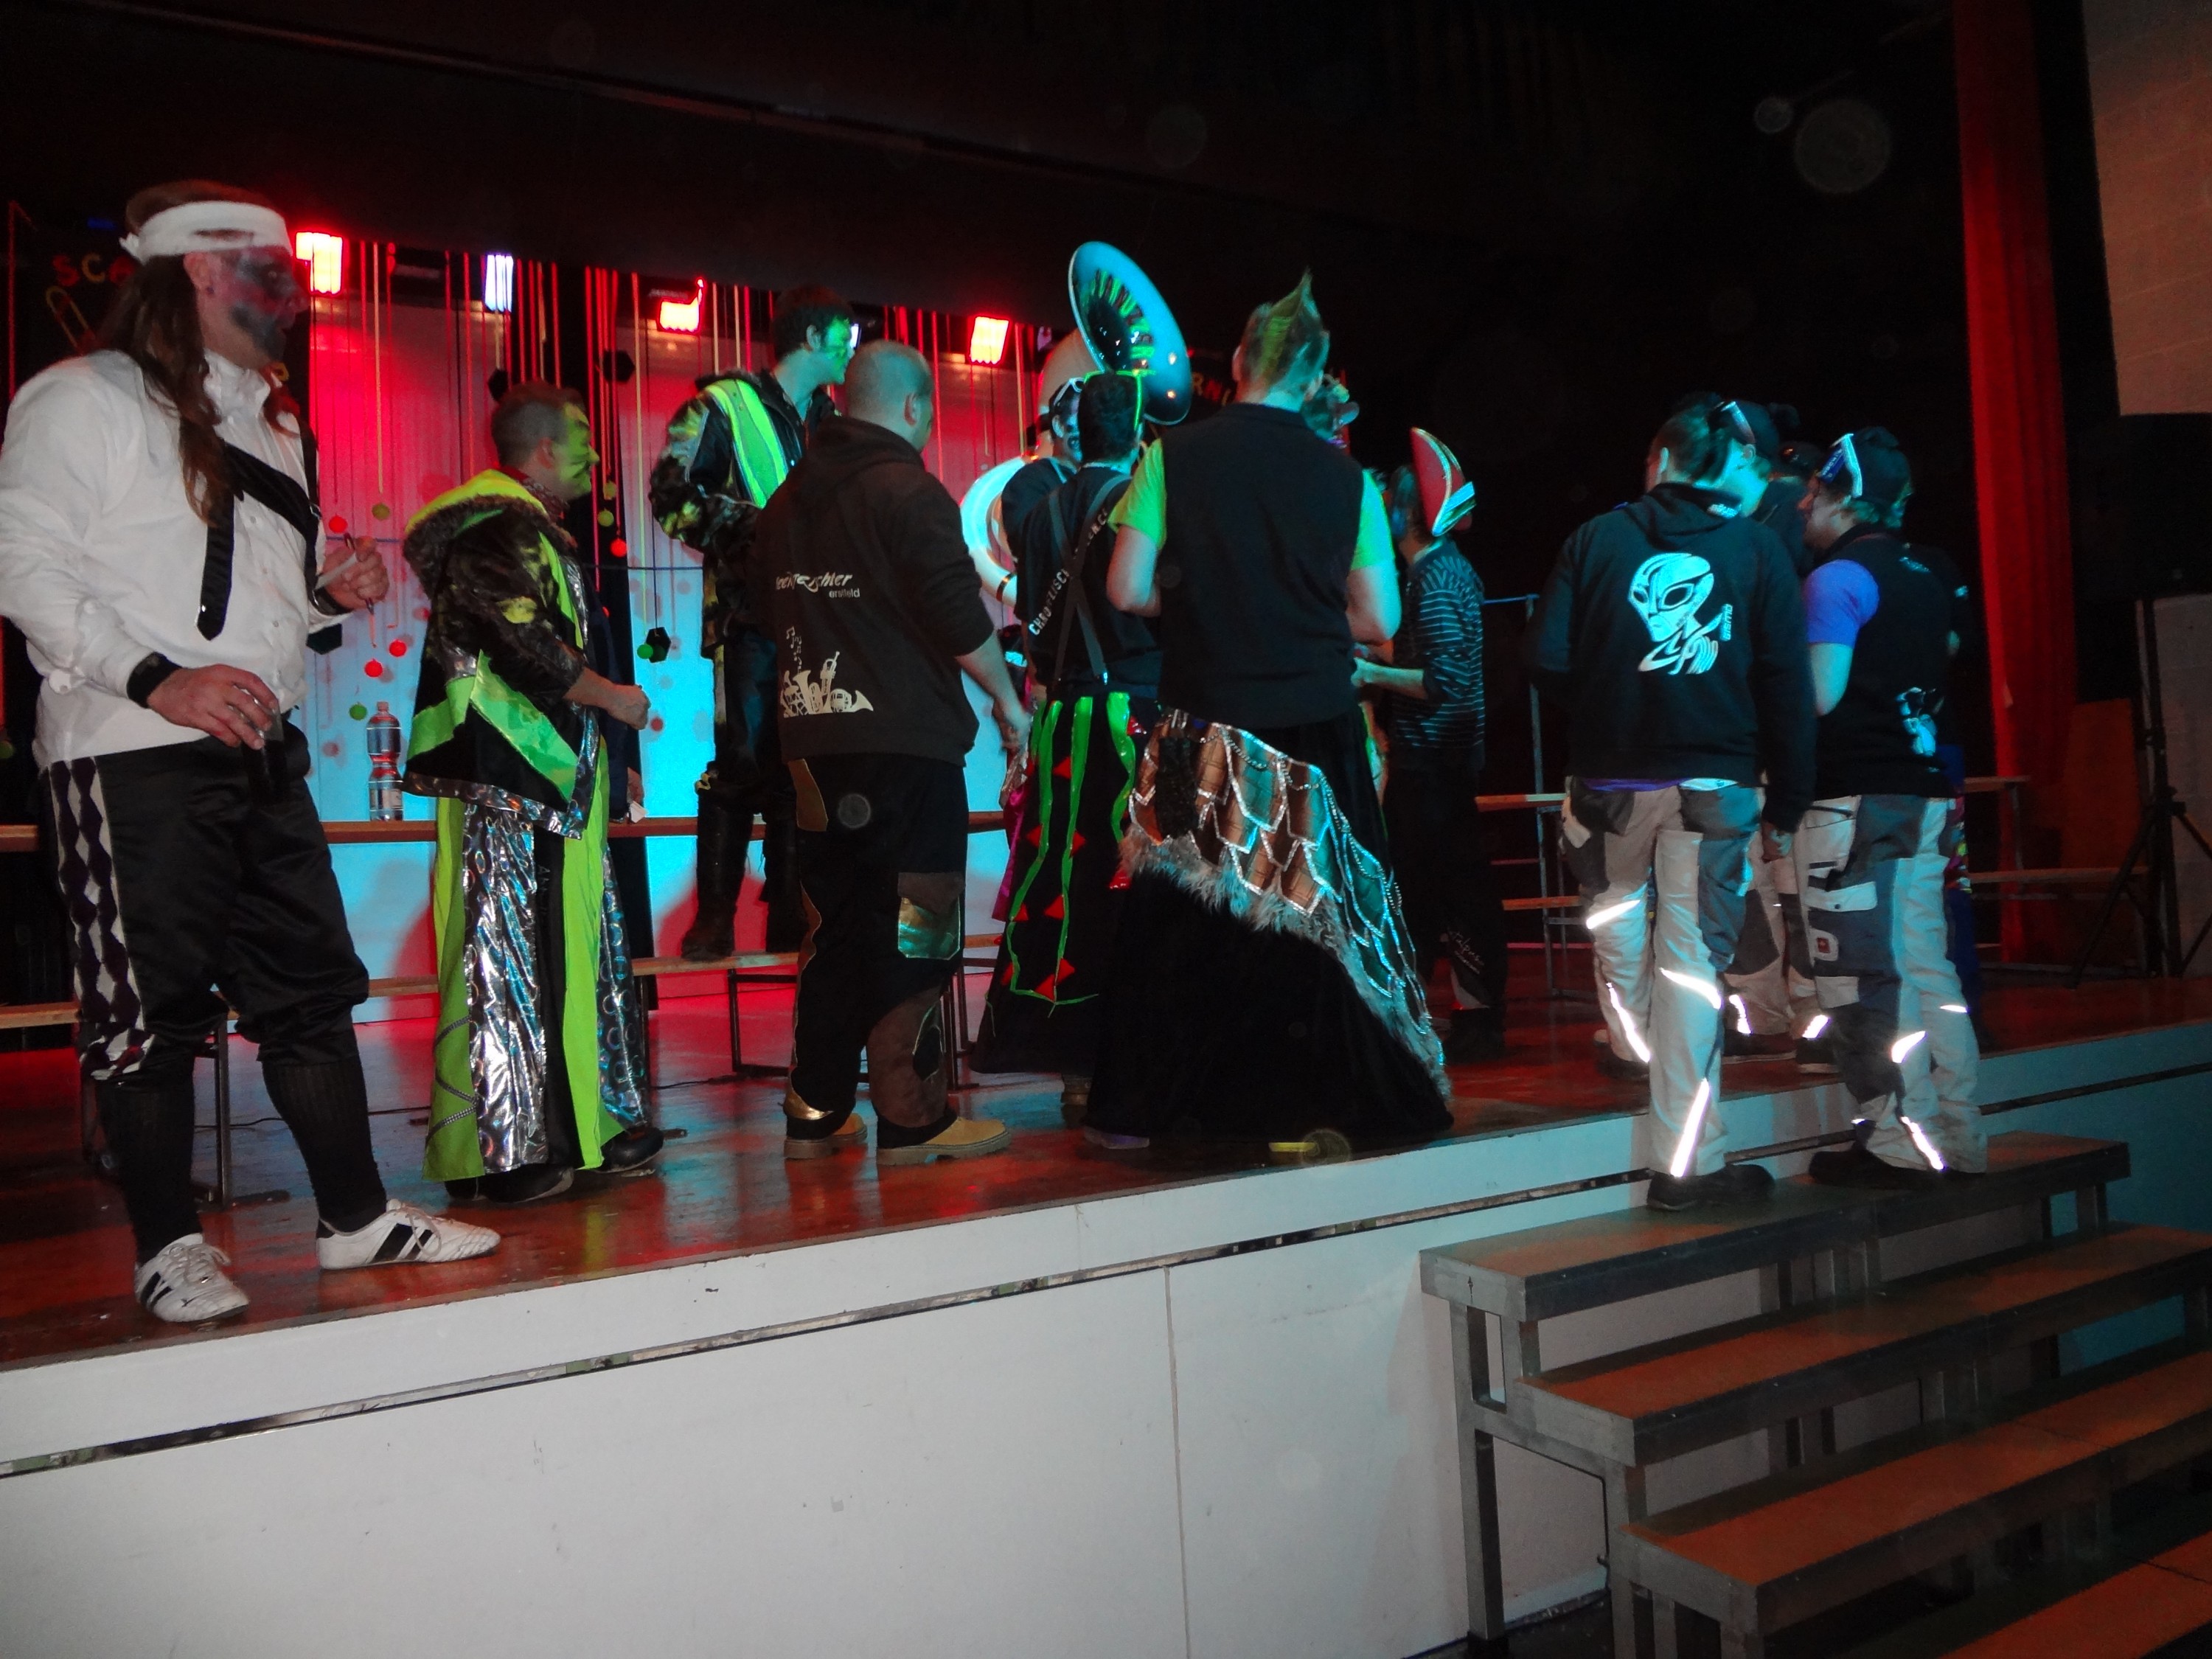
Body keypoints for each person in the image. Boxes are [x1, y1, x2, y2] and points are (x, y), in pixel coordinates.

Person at [0, 180, 498, 1322]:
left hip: (260, 746)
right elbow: (24, 565)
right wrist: (158, 679)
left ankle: (355, 1216)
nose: (293, 295)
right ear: (199, 270)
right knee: (149, 1011)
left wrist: (327, 595)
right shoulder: (82, 397)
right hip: (128, 750)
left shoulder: (274, 421)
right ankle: (167, 1246)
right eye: (270, 271)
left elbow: (260, 596)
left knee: (311, 988)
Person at [1086, 274, 1451, 1152]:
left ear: (1242, 361)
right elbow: (1380, 621)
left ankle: (1170, 1108)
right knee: (1320, 922)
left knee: (1187, 922)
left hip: (1199, 720)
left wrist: (1205, 604)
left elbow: (1125, 589)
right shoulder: (1347, 480)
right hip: (1315, 722)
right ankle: (1315, 1098)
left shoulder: (1171, 457)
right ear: (1316, 374)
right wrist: (1295, 613)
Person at [1523, 394, 1815, 1210]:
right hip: (1714, 783)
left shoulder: (1596, 539)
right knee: (1690, 965)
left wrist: (1610, 702)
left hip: (1611, 780)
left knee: (1616, 915)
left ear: (1656, 462)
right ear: (1721, 466)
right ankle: (1688, 1164)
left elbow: (1544, 657)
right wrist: (1789, 798)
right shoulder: (1756, 548)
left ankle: (1631, 1048)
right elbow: (1786, 685)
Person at [750, 341, 1026, 1165]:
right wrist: (1008, 702)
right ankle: (914, 1119)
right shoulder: (908, 489)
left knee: (835, 925)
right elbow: (956, 614)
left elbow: (763, 616)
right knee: (918, 924)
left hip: (811, 745)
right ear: (911, 406)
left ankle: (816, 1106)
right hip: (905, 746)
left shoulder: (784, 502)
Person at [403, 383, 663, 1203]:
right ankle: (506, 1151)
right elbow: (517, 639)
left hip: (545, 778)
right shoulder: (496, 524)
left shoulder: (525, 528)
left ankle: (580, 1125)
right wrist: (610, 698)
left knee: (563, 951)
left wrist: (604, 745)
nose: (594, 454)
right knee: (509, 958)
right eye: (583, 436)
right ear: (545, 449)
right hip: (511, 781)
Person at [1791, 428, 1983, 1183]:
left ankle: (1897, 1145)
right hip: (1925, 792)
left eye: (1816, 491)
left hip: (1855, 802)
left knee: (1861, 975)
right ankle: (1957, 1136)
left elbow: (1820, 694)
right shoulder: (1927, 573)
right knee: (1928, 968)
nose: (1803, 502)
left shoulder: (1836, 579)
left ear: (1847, 499)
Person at [970, 372, 1156, 1110]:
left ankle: (1077, 1068)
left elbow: (1035, 624)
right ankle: (1137, 1060)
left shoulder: (1040, 509)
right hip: (1132, 723)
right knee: (1136, 891)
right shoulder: (1139, 500)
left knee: (1066, 893)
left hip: (1062, 727)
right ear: (1136, 432)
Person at [651, 285, 854, 959]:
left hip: (820, 623)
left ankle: (792, 911)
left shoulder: (835, 424)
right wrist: (755, 530)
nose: (851, 350)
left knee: (806, 765)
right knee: (741, 759)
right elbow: (670, 496)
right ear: (814, 338)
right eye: (845, 336)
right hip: (745, 617)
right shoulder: (722, 406)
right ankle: (715, 916)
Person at [1357, 430, 1510, 1063]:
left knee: (1446, 898)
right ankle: (1448, 1015)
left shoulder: (1437, 579)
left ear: (1405, 513)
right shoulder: (1436, 572)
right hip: (1438, 763)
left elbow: (1442, 681)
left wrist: (1367, 673)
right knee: (1437, 895)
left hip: (1435, 765)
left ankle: (1473, 1021)